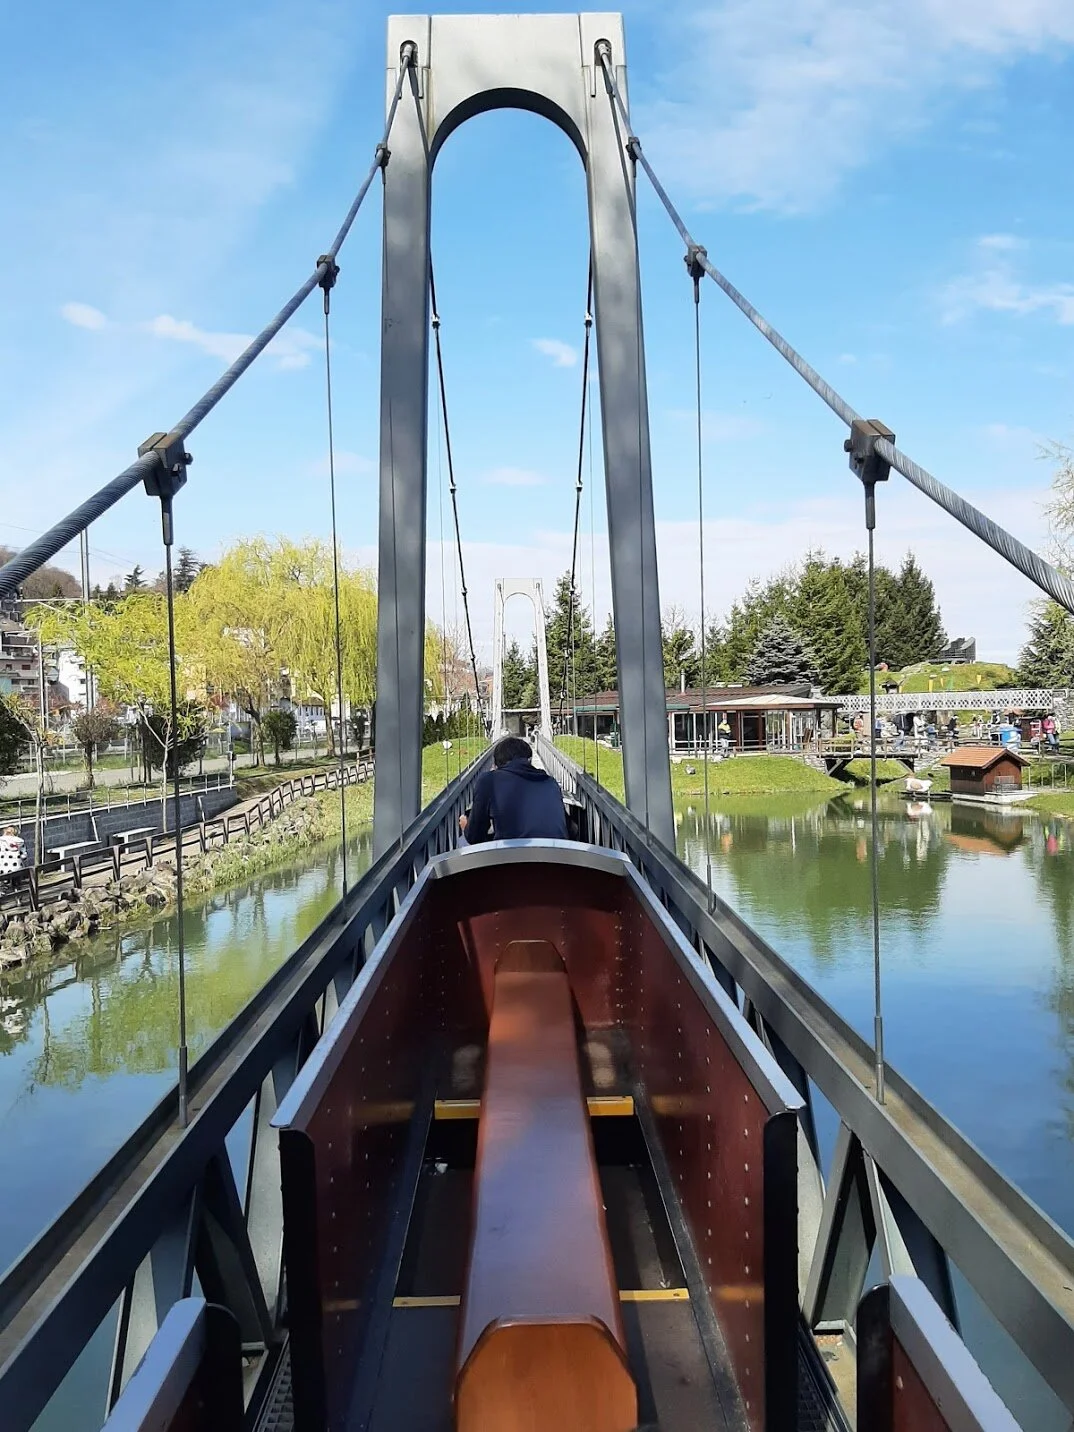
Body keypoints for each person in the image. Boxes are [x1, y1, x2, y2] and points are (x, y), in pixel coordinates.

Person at [459, 736, 567, 843]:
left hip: (513, 857)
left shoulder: (489, 780)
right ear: (529, 761)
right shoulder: (551, 783)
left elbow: (475, 837)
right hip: (557, 856)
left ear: (496, 765)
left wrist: (465, 826)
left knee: (462, 841)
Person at [0, 825, 28, 890]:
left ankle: (3, 894)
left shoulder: (1, 841)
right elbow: (24, 856)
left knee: (3, 884)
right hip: (17, 867)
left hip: (3, 867)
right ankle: (18, 897)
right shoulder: (20, 842)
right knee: (17, 884)